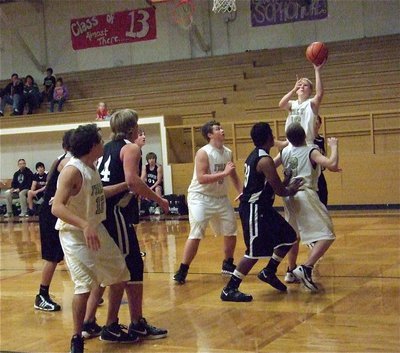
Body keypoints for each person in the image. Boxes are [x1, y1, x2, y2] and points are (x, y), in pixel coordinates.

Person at [52, 124, 139, 353]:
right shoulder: (72, 171)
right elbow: (57, 208)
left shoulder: (91, 167)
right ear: (92, 145)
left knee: (120, 273)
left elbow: (100, 192)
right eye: (100, 141)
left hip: (94, 229)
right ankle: (76, 338)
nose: (103, 144)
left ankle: (110, 325)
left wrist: (126, 185)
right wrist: (83, 224)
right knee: (85, 285)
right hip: (74, 233)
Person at [97, 109, 169, 340]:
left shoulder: (107, 147)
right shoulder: (131, 148)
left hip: (108, 211)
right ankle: (118, 323)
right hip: (115, 211)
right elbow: (131, 180)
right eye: (137, 124)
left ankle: (135, 321)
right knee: (128, 265)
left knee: (133, 265)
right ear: (132, 128)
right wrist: (159, 199)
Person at [220, 122, 302, 302]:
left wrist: (285, 181)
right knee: (254, 252)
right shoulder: (265, 160)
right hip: (254, 210)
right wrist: (291, 188)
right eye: (271, 134)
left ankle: (269, 271)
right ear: (268, 137)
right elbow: (279, 190)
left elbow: (269, 186)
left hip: (263, 208)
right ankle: (229, 289)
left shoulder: (258, 156)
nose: (274, 137)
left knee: (289, 236)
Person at [173, 120, 242, 284]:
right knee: (196, 233)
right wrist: (224, 173)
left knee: (231, 230)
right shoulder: (203, 153)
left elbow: (233, 174)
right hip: (200, 197)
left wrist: (242, 192)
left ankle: (228, 263)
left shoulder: (228, 152)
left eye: (221, 127)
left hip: (220, 198)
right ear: (210, 134)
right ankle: (183, 269)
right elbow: (202, 178)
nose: (222, 130)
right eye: (218, 128)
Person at [279, 123, 340, 291]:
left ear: (289, 139)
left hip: (288, 196)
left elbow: (268, 165)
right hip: (305, 193)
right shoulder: (311, 150)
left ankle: (291, 271)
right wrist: (334, 147)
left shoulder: (284, 152)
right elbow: (331, 164)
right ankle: (306, 268)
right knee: (327, 234)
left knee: (293, 235)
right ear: (305, 135)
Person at [35, 130, 73, 312]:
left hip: (56, 211)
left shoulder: (64, 159)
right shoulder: (66, 162)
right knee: (52, 257)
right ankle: (41, 296)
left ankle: (86, 289)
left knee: (70, 252)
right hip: (51, 214)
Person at [279, 61, 326, 146]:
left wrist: (317, 71)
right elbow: (281, 104)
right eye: (299, 85)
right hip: (291, 144)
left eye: (305, 85)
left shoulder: (311, 104)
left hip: (306, 144)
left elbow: (319, 94)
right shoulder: (291, 104)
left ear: (310, 91)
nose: (301, 87)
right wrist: (293, 90)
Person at [314, 115, 328, 206]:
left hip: (319, 173)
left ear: (319, 124)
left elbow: (324, 154)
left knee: (323, 193)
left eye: (316, 121)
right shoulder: (307, 139)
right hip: (310, 173)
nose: (314, 123)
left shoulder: (321, 139)